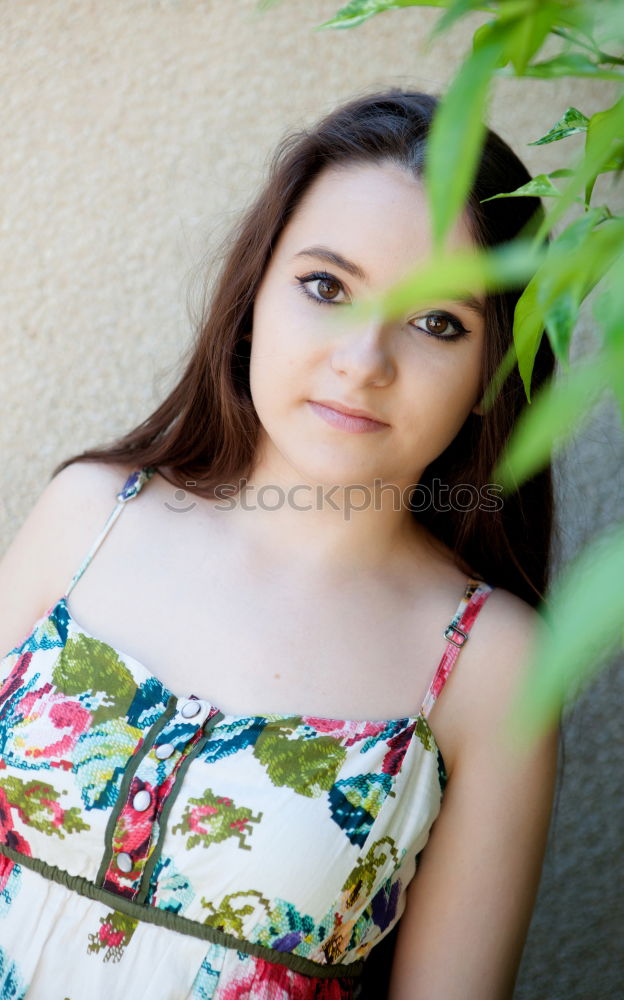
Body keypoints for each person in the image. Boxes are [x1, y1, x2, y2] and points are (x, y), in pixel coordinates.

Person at [0, 89, 560, 999]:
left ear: (493, 372)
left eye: (437, 323)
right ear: (255, 294)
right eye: (327, 286)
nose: (362, 358)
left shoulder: (493, 666)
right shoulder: (87, 516)